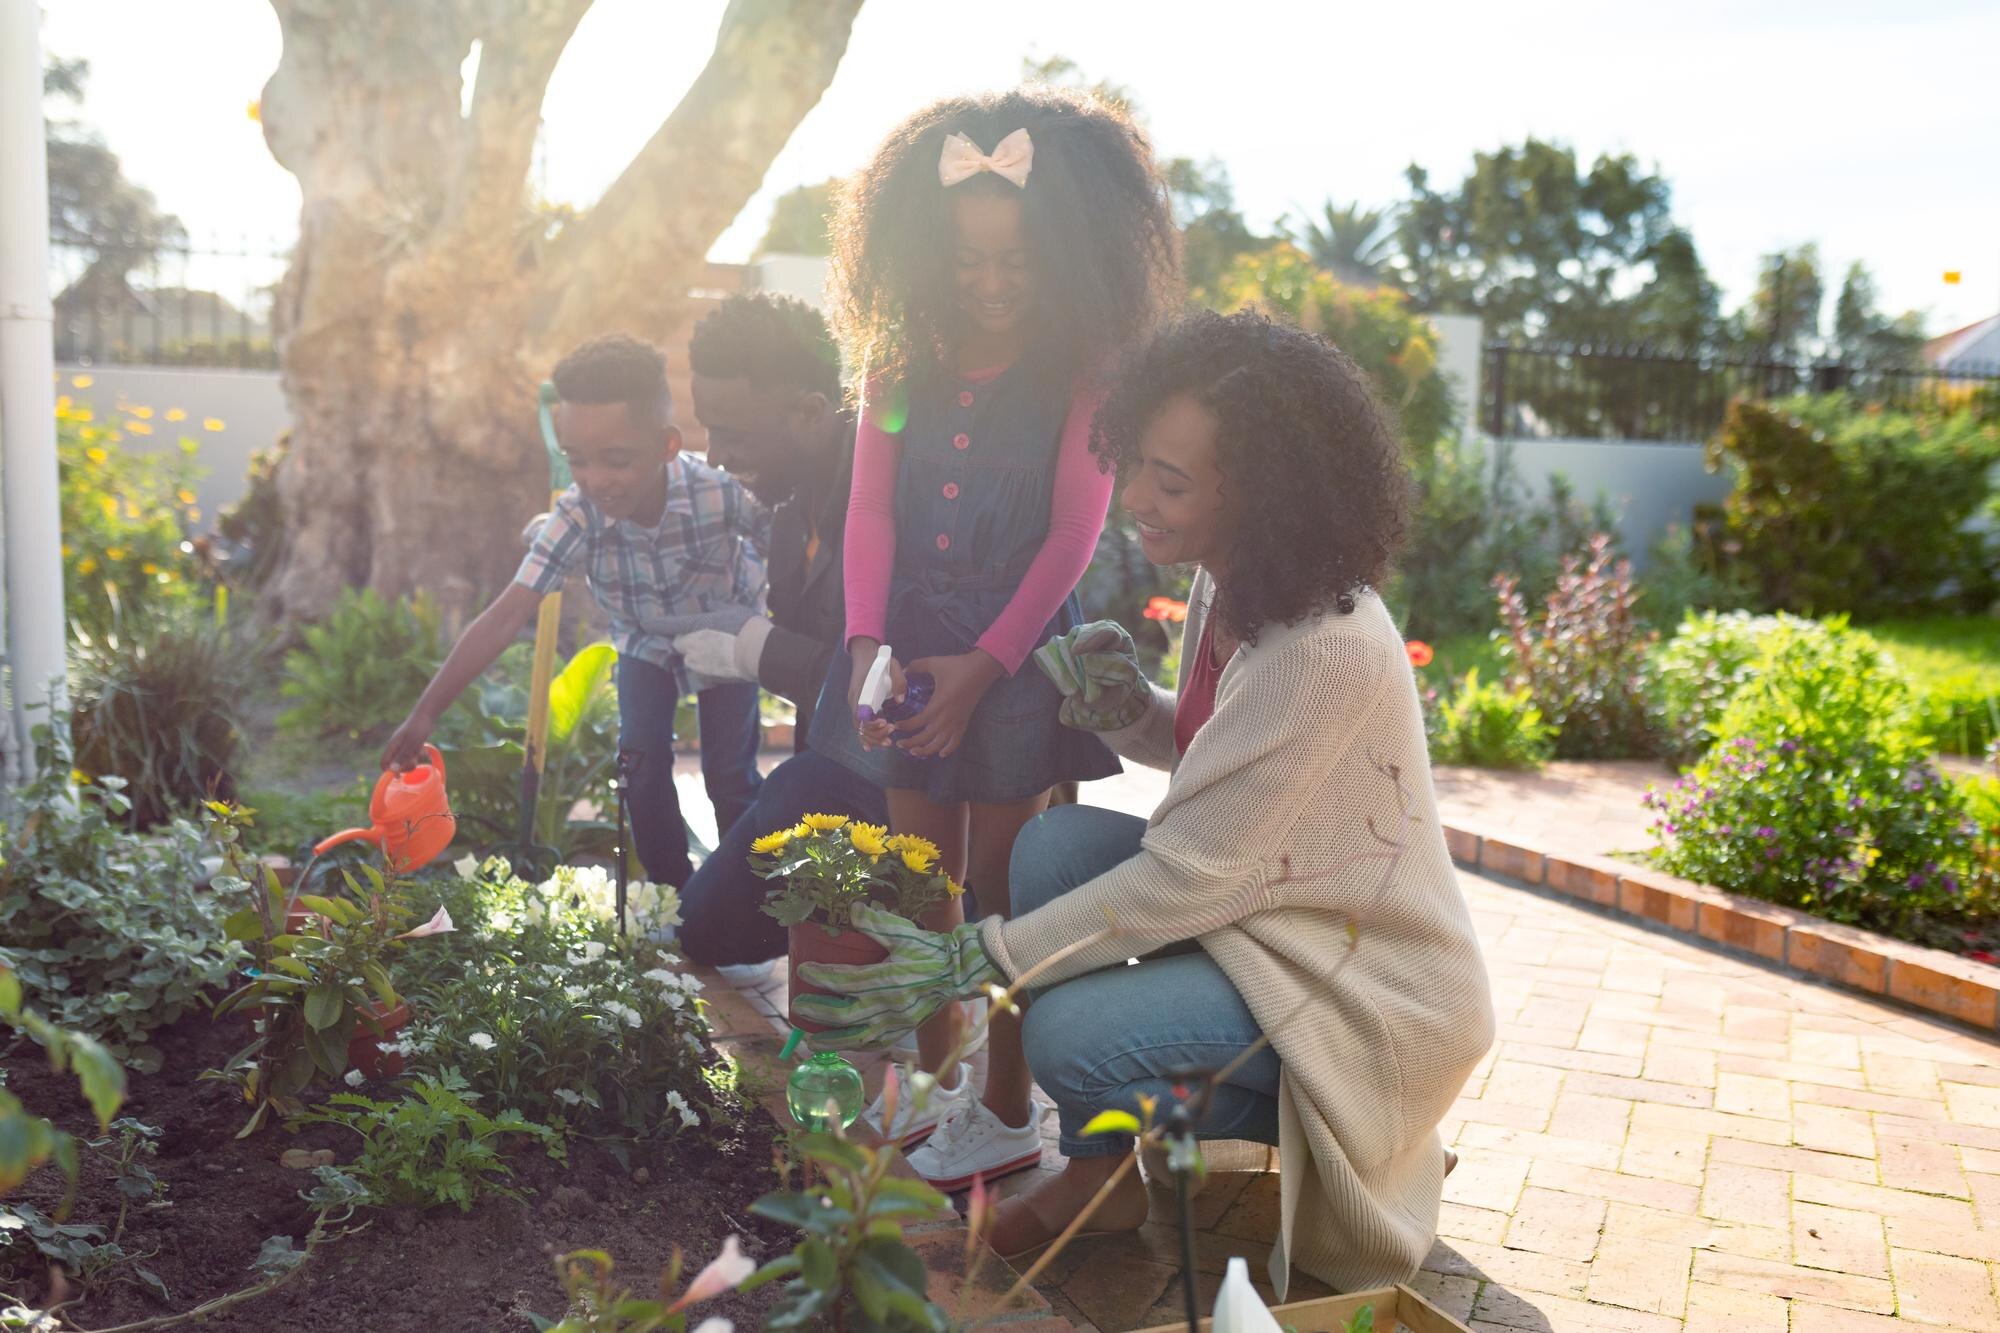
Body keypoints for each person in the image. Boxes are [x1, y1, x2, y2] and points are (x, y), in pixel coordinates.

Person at [791, 310, 1495, 1298]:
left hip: (1358, 986)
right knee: (1051, 847)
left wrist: (971, 959)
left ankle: (1129, 1158)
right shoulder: (1240, 582)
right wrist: (1127, 708)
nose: (1134, 501)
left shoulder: (1325, 645)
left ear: (1263, 495)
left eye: (1171, 482)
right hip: (1274, 923)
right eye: (1135, 466)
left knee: (1067, 1032)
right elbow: (1219, 761)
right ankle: (1102, 1178)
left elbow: (1188, 876)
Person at [808, 86, 1180, 1175]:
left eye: (1013, 259)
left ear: (1066, 253)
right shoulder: (895, 361)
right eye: (965, 261)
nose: (988, 281)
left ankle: (1008, 1111)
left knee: (1008, 891)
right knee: (917, 874)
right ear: (925, 256)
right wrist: (864, 639)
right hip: (903, 638)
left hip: (1009, 654)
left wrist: (983, 668)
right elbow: (868, 506)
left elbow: (1074, 530)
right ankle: (933, 1085)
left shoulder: (1084, 375)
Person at [382, 334, 768, 889]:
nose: (595, 480)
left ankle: (745, 895)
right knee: (640, 763)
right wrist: (425, 713)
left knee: (729, 776)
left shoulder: (719, 493)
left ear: (666, 444)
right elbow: (506, 612)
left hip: (725, 632)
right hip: (644, 639)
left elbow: (795, 548)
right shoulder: (578, 513)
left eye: (615, 460)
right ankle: (673, 895)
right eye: (577, 460)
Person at [668, 294, 889, 966]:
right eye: (709, 432)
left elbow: (885, 685)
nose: (717, 455)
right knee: (699, 928)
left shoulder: (887, 497)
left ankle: (951, 914)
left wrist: (752, 649)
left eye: (733, 434)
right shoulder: (791, 512)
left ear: (810, 412)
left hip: (912, 789)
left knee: (793, 792)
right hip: (829, 777)